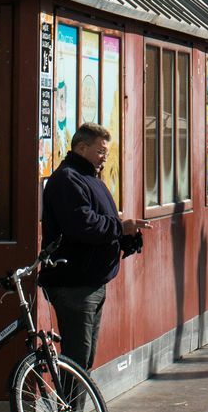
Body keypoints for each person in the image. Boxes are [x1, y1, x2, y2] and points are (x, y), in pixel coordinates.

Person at [41, 122, 149, 370]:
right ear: (81, 147)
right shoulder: (68, 179)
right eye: (101, 151)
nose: (104, 157)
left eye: (107, 152)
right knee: (77, 356)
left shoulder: (90, 179)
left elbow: (102, 221)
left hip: (91, 280)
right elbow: (83, 226)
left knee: (85, 356)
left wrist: (125, 237)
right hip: (75, 282)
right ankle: (71, 409)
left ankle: (74, 407)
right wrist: (121, 228)